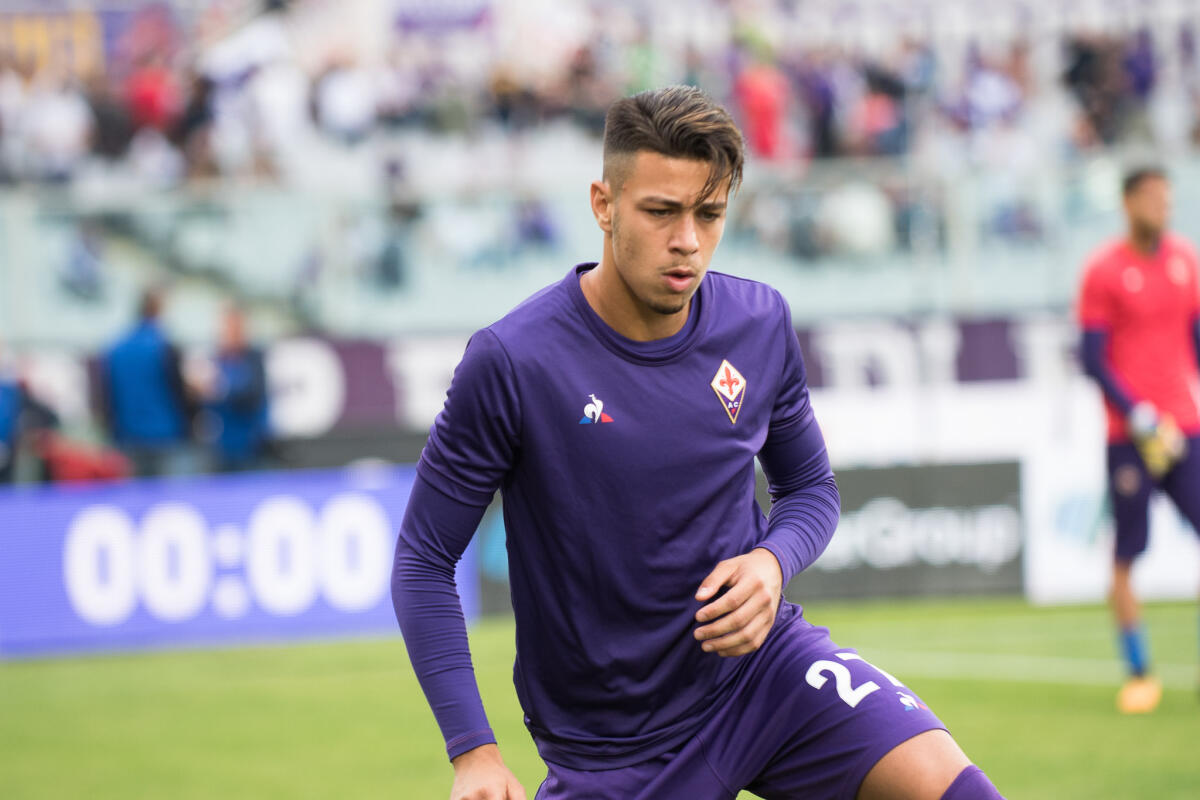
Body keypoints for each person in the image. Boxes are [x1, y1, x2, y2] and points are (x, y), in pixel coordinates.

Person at [392, 86, 1005, 800]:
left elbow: (810, 491)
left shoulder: (759, 322)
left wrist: (773, 564)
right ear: (603, 203)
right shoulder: (513, 361)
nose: (687, 239)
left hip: (766, 678)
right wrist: (473, 750)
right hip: (616, 746)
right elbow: (423, 559)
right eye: (660, 211)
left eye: (708, 214)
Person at [1077, 166, 1200, 715]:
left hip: (1185, 427)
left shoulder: (1185, 261)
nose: (1163, 207)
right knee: (1128, 553)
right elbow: (1091, 357)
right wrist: (1137, 414)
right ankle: (1139, 672)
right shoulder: (1104, 271)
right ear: (1128, 203)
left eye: (1167, 198)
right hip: (1130, 435)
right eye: (1152, 198)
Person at [99, 287, 195, 478]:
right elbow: (179, 392)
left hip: (127, 437)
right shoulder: (163, 346)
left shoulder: (115, 348)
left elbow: (107, 397)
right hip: (165, 438)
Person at [202, 305, 271, 472]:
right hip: (222, 447)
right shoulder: (217, 359)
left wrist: (222, 390)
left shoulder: (254, 358)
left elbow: (253, 395)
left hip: (250, 446)